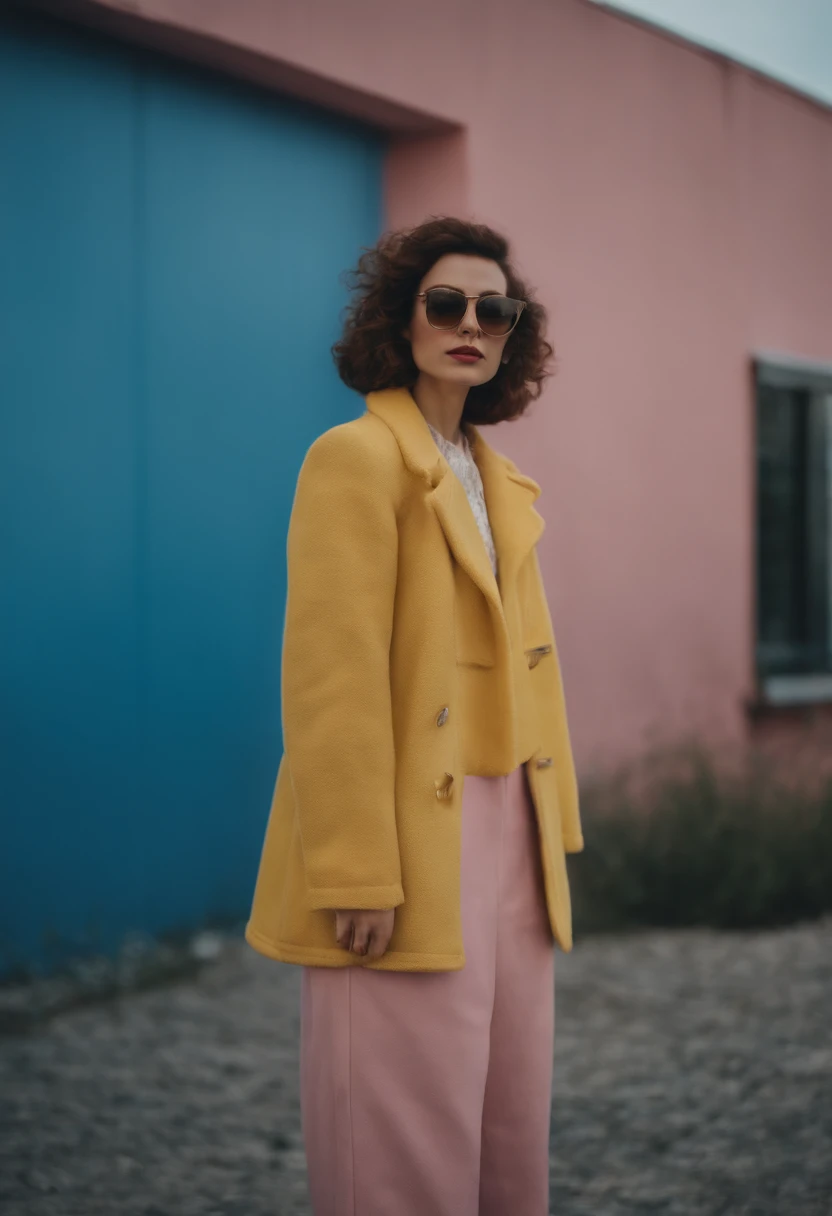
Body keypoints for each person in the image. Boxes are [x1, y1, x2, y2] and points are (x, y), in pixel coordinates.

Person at [246, 216, 584, 1215]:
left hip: (508, 830)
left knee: (505, 1125)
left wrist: (549, 835)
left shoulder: (494, 479)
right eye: (446, 302)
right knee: (398, 1139)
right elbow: (330, 681)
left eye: (495, 308)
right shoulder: (353, 458)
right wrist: (353, 867)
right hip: (404, 832)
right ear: (403, 318)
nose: (470, 323)